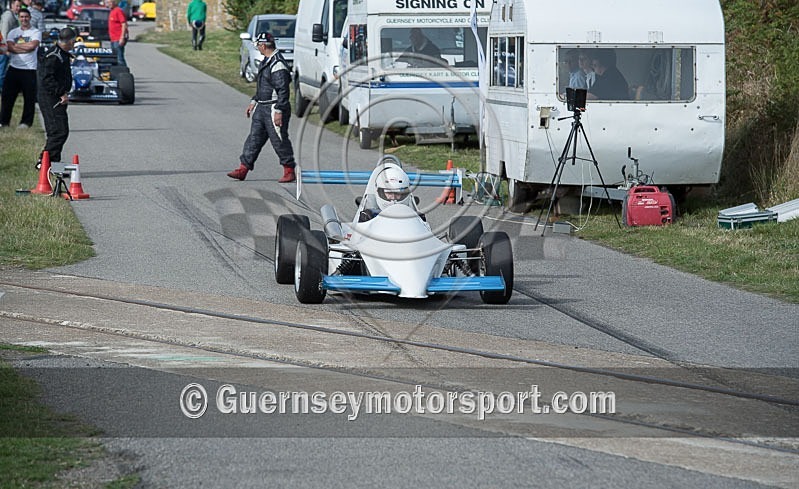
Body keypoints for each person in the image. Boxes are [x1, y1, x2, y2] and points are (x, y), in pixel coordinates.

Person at [228, 32, 297, 183]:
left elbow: (283, 90)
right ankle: (243, 168)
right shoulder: (266, 60)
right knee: (254, 139)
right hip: (262, 107)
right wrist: (254, 101)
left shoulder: (277, 64)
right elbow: (263, 86)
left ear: (264, 45)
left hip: (274, 107)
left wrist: (279, 111)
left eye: (258, 45)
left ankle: (289, 170)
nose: (258, 48)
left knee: (279, 140)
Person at [36, 27, 75, 167]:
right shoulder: (54, 55)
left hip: (56, 97)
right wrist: (60, 93)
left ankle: (54, 162)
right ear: (70, 41)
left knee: (61, 130)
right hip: (50, 97)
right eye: (73, 41)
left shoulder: (62, 53)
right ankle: (44, 162)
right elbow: (46, 79)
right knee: (57, 131)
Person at [0, 8, 40, 128]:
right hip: (14, 68)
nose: (24, 19)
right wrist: (23, 47)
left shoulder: (35, 32)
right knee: (7, 97)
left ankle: (26, 122)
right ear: (18, 18)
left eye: (26, 17)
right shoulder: (13, 32)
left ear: (30, 18)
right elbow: (9, 47)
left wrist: (16, 46)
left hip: (29, 69)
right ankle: (4, 122)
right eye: (22, 17)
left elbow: (33, 46)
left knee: (29, 98)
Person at [0, 0, 22, 94]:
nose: (18, 8)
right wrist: (5, 49)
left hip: (8, 47)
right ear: (12, 5)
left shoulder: (13, 15)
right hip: (3, 48)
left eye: (20, 6)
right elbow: (4, 33)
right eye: (17, 6)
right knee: (2, 69)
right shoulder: (8, 16)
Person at [107, 0, 128, 67]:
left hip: (118, 38)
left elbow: (124, 24)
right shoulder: (111, 11)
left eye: (110, 2)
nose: (109, 4)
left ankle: (124, 73)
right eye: (108, 3)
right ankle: (116, 73)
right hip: (113, 38)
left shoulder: (118, 11)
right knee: (114, 58)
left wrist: (122, 37)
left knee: (119, 58)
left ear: (114, 3)